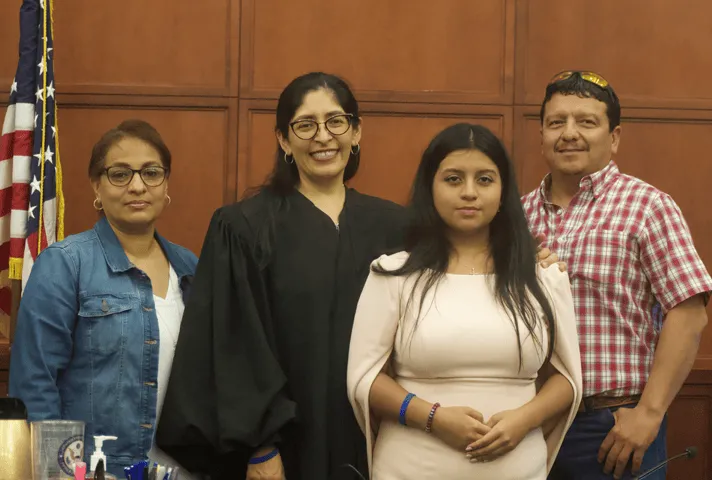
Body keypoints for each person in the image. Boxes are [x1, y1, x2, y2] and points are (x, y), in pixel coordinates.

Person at [155, 73, 563, 480]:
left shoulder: (397, 227)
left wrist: (532, 256)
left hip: (386, 437)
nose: (323, 137)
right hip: (285, 447)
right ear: (283, 140)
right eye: (305, 125)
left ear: (356, 132)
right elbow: (233, 343)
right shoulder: (244, 227)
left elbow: (469, 261)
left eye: (336, 121)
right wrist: (260, 449)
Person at [347, 123, 583, 480]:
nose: (469, 192)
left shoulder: (543, 277)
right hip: (412, 466)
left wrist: (524, 419)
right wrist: (432, 417)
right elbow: (364, 378)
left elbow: (567, 378)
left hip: (518, 467)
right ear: (430, 187)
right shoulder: (393, 274)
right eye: (453, 179)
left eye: (485, 179)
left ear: (504, 191)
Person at [522, 71, 712, 480]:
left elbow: (689, 313)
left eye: (586, 122)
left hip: (611, 427)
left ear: (614, 137)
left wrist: (649, 413)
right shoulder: (515, 217)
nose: (569, 133)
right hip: (527, 422)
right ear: (541, 135)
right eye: (557, 122)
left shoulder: (647, 206)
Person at [8, 120, 198, 478]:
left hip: (182, 470)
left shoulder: (191, 268)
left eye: (151, 172)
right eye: (120, 174)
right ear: (96, 185)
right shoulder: (65, 264)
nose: (138, 186)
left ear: (166, 183)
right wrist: (58, 471)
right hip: (97, 471)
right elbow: (35, 382)